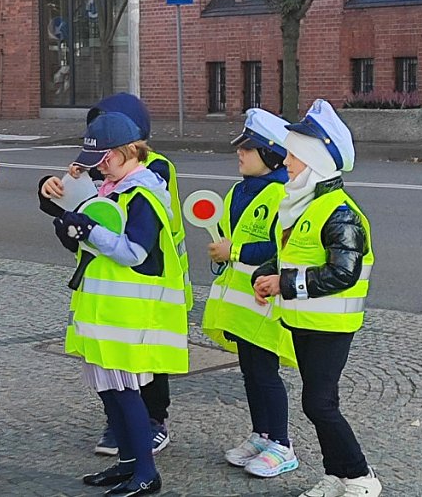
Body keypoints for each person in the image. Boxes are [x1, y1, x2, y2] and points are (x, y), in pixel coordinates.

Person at [39, 92, 188, 456]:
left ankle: (153, 423)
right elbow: (83, 205)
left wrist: (88, 226)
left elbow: (119, 225)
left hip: (149, 281)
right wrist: (51, 189)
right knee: (116, 373)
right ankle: (123, 432)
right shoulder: (105, 167)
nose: (99, 163)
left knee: (145, 363)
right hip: (114, 287)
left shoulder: (152, 170)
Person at [251, 99, 381, 497]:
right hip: (305, 321)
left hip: (331, 326)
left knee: (319, 404)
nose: (285, 161)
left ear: (315, 162)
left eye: (294, 155)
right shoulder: (305, 204)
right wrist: (264, 274)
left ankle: (361, 477)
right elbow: (292, 255)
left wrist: (284, 284)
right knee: (322, 403)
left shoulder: (340, 212)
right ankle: (336, 474)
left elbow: (344, 272)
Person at [202, 108, 299, 478]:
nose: (239, 153)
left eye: (248, 148)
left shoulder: (281, 194)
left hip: (266, 303)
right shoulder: (238, 191)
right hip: (241, 306)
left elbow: (281, 249)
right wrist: (222, 251)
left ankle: (282, 444)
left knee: (266, 374)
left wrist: (234, 251)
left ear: (270, 155)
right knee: (250, 373)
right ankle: (262, 435)